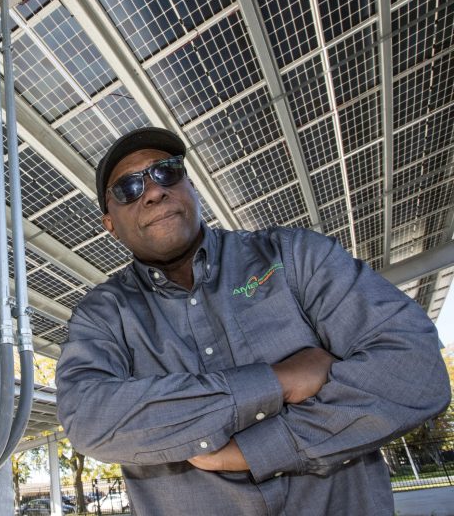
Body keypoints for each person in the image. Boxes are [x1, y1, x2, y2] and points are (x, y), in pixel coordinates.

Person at [55, 127, 451, 515]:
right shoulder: (103, 314)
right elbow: (90, 420)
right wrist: (280, 380)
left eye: (167, 172)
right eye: (128, 188)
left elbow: (415, 369)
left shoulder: (294, 255)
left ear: (190, 185)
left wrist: (254, 450)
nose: (155, 191)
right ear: (110, 224)